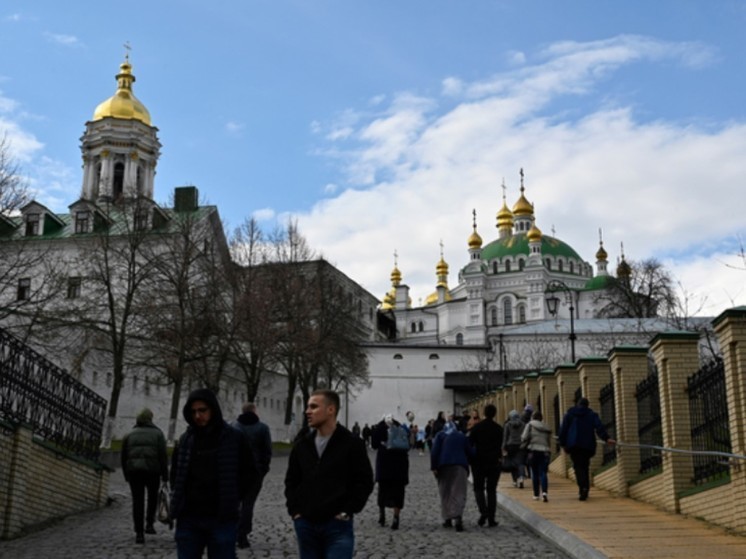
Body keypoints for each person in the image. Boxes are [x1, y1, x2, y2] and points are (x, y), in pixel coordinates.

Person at [285, 389, 374, 559]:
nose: (307, 411)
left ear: (331, 410)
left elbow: (364, 481)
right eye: (308, 407)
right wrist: (295, 511)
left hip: (337, 526)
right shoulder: (302, 445)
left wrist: (347, 510)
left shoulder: (351, 443)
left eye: (314, 407)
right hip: (306, 523)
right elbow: (291, 481)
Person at [170, 388, 254, 559]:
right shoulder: (187, 439)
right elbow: (176, 473)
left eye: (202, 410)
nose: (198, 416)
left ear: (213, 410)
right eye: (193, 412)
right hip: (189, 518)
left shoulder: (234, 438)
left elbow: (250, 472)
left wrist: (233, 496)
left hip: (221, 518)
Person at [121, 408, 169, 544]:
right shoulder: (158, 434)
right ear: (150, 419)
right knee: (152, 498)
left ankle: (139, 533)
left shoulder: (129, 434)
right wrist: (165, 475)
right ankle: (149, 524)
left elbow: (124, 457)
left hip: (134, 472)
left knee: (138, 501)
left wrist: (126, 474)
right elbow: (163, 456)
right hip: (153, 471)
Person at [231, 402, 272, 549]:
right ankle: (243, 533)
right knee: (248, 504)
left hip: (236, 470)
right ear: (254, 411)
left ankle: (234, 531)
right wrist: (263, 469)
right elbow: (267, 451)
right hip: (255, 471)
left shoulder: (234, 427)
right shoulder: (262, 428)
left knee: (235, 503)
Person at [558, 397, 616, 501]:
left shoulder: (569, 415)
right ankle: (585, 488)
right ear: (587, 405)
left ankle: (582, 487)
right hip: (588, 445)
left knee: (577, 467)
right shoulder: (592, 415)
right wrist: (606, 438)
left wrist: (563, 444)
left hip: (574, 445)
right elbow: (599, 427)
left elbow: (563, 430)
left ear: (577, 404)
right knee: (585, 466)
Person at [430, 415, 473, 532]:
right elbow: (470, 452)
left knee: (445, 492)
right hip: (460, 466)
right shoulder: (461, 436)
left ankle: (448, 518)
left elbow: (434, 452)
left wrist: (434, 467)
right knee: (458, 492)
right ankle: (458, 517)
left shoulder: (440, 436)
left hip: (443, 466)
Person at [371, 415, 410, 530]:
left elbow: (374, 445)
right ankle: (396, 517)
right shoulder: (400, 429)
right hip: (400, 465)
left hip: (385, 464)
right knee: (399, 492)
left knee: (383, 490)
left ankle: (382, 514)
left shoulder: (380, 428)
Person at [468, 404, 503, 528]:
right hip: (494, 462)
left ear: (484, 413)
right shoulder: (499, 428)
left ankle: (484, 512)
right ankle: (492, 518)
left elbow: (470, 443)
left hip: (478, 462)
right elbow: (500, 445)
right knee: (491, 490)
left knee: (478, 488)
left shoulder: (477, 428)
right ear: (494, 414)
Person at [521, 410, 552, 502]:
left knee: (534, 472)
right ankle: (545, 492)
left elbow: (524, 437)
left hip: (533, 451)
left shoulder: (529, 425)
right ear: (541, 418)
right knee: (543, 472)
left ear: (532, 417)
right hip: (545, 451)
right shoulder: (546, 426)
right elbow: (548, 441)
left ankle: (536, 494)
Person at [502, 409, 527, 488]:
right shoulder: (523, 424)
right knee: (520, 462)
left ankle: (515, 480)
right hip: (520, 445)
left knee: (512, 462)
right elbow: (525, 435)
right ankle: (521, 477)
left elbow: (505, 437)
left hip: (511, 445)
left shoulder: (507, 425)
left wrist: (503, 447)